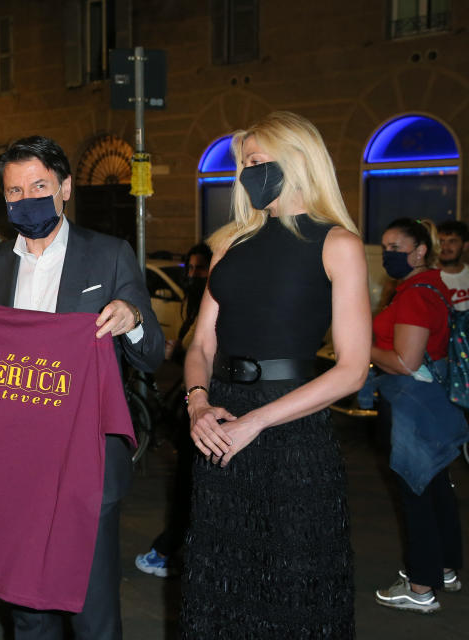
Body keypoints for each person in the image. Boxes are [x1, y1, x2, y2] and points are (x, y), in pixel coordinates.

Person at [0, 135, 164, 640]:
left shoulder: (110, 255)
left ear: (65, 188)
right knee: (28, 610)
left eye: (38, 185)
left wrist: (133, 318)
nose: (26, 198)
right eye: (14, 191)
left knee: (92, 610)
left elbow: (152, 354)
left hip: (87, 464)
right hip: (14, 468)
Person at [182, 111, 370, 637]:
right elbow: (200, 343)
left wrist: (256, 422)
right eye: (244, 163)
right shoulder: (228, 245)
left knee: (295, 584)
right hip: (219, 419)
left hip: (292, 429)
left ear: (299, 160)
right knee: (223, 578)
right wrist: (198, 403)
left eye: (258, 161)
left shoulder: (338, 245)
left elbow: (353, 369)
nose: (248, 172)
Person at [370, 218, 466, 613]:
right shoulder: (431, 285)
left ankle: (420, 587)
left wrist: (360, 347)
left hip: (412, 404)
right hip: (433, 402)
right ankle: (444, 568)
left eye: (396, 247)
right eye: (385, 246)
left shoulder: (413, 295)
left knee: (416, 491)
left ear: (420, 250)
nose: (388, 254)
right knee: (436, 486)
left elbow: (405, 362)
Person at [134, 242, 212, 578]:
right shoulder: (194, 305)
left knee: (191, 486)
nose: (194, 275)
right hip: (192, 402)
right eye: (190, 269)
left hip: (203, 407)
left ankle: (169, 549)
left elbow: (207, 352)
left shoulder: (214, 302)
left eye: (200, 269)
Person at [437, 220, 469, 311]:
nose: (445, 247)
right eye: (441, 241)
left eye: (452, 241)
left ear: (465, 246)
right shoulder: (426, 278)